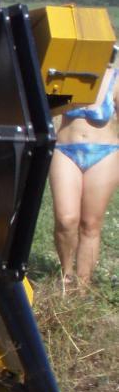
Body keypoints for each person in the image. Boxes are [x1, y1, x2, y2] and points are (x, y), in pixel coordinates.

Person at [48, 55, 119, 288]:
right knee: (66, 219)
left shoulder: (116, 79)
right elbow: (46, 108)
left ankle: (83, 287)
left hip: (104, 153)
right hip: (65, 150)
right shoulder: (70, 75)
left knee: (90, 223)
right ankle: (66, 278)